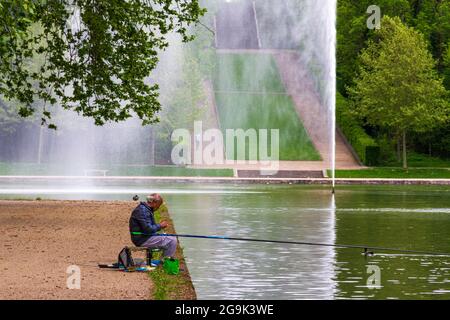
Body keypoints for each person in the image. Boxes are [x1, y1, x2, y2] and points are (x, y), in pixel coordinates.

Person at [129, 193, 177, 258]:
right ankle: (164, 262)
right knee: (172, 240)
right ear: (155, 203)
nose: (158, 207)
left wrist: (159, 230)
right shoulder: (143, 211)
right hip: (142, 240)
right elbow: (148, 229)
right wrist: (160, 225)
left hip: (144, 237)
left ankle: (162, 261)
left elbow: (148, 228)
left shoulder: (145, 209)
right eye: (159, 205)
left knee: (168, 237)